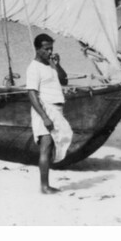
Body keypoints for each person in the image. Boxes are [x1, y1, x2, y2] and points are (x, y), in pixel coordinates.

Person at [26, 33, 72, 194]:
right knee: (45, 147)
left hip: (57, 109)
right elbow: (31, 94)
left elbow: (64, 80)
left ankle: (46, 184)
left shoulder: (50, 64)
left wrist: (57, 64)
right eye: (46, 49)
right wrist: (44, 117)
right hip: (45, 110)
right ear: (37, 49)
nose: (49, 51)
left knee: (53, 145)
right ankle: (44, 186)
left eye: (51, 48)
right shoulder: (33, 68)